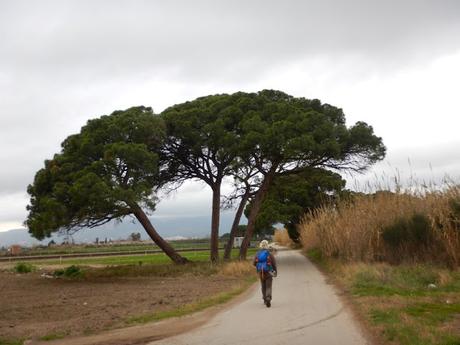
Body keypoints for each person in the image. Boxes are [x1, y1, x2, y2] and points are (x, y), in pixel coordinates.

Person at [253, 240, 277, 308]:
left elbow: (254, 263)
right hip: (269, 272)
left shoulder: (257, 253)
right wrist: (275, 272)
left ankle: (264, 299)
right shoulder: (269, 254)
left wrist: (259, 265)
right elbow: (274, 264)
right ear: (267, 246)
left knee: (263, 286)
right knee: (268, 286)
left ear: (261, 245)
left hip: (261, 272)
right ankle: (268, 297)